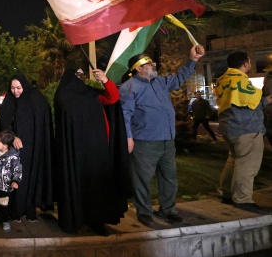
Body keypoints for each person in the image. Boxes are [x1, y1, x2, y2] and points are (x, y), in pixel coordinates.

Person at [119, 45, 205, 227]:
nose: (154, 64)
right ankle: (144, 212)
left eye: (152, 62)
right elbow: (125, 114)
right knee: (142, 179)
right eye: (149, 63)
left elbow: (181, 77)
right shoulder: (129, 87)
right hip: (145, 142)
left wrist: (193, 59)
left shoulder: (160, 82)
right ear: (138, 68)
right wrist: (128, 138)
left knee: (169, 177)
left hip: (167, 140)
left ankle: (168, 210)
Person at [53, 66, 132, 236]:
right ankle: (75, 220)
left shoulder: (92, 93)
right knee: (77, 186)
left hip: (96, 151)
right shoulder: (63, 95)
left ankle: (97, 221)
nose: (81, 77)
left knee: (97, 187)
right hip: (75, 151)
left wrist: (105, 80)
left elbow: (112, 98)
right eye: (77, 74)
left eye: (82, 74)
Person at [215, 51, 271, 214]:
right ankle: (242, 199)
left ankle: (225, 193)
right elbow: (250, 102)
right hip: (246, 129)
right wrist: (266, 100)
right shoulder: (239, 79)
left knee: (234, 160)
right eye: (249, 62)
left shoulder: (222, 80)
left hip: (229, 128)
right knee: (247, 164)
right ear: (246, 63)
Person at [0, 74, 54, 222]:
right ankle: (16, 211)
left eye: (18, 88)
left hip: (32, 149)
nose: (15, 91)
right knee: (16, 179)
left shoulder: (34, 98)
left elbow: (43, 116)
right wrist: (13, 136)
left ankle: (30, 209)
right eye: (12, 88)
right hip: (15, 151)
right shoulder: (10, 101)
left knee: (30, 178)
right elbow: (3, 123)